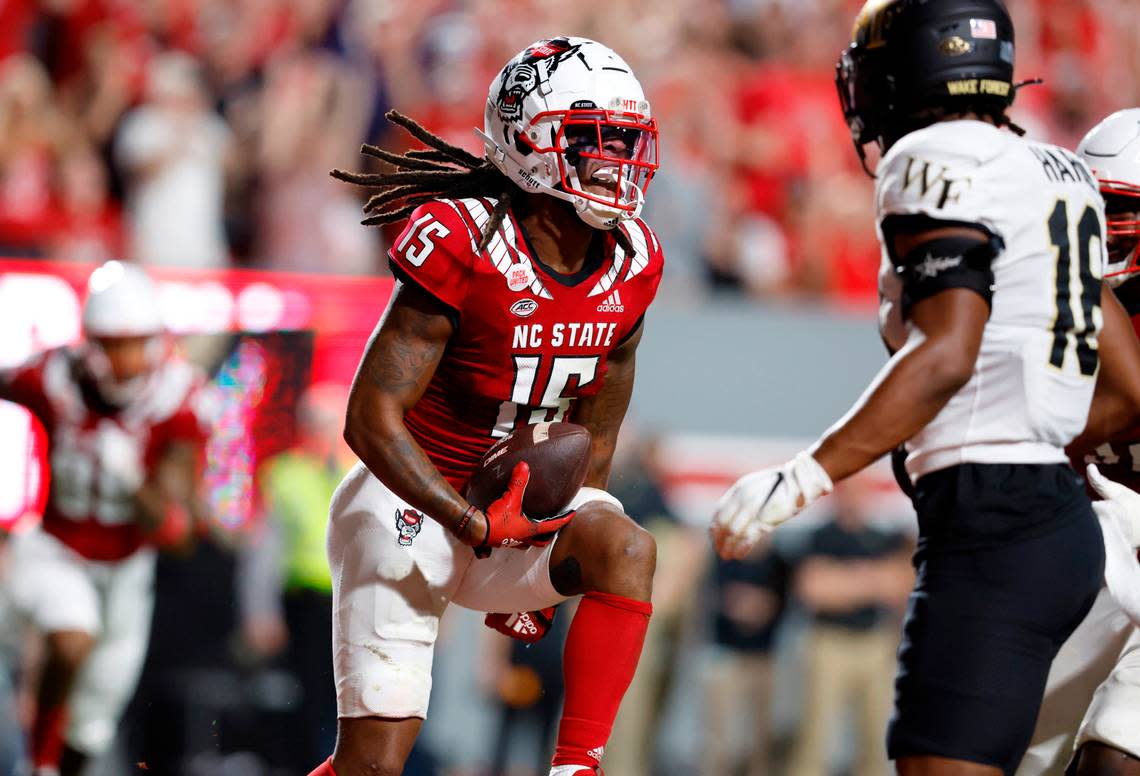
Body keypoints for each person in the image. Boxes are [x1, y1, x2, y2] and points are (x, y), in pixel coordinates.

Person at [713, 1, 1120, 773]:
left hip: (992, 524)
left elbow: (947, 350)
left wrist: (804, 477)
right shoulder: (1054, 167)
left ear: (909, 68)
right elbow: (1127, 384)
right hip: (1061, 531)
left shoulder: (934, 156)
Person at [307, 36, 663, 776]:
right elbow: (368, 416)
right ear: (528, 141)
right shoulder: (465, 236)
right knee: (373, 764)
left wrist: (558, 513)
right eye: (595, 142)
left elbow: (600, 414)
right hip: (412, 505)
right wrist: (472, 521)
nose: (617, 162)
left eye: (627, 143)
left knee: (627, 547)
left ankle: (576, 768)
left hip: (511, 516)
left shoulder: (634, 257)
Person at [0, 260, 212, 776]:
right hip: (56, 549)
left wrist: (133, 480)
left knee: (92, 723)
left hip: (127, 570)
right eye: (112, 343)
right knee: (73, 635)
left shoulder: (177, 399)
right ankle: (39, 766)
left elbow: (177, 534)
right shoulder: (52, 377)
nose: (125, 359)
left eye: (135, 342)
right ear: (89, 341)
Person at [1019, 108, 1140, 776]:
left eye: (1116, 211)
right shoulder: (1051, 312)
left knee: (1116, 761)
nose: (1095, 229)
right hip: (1085, 568)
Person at [786, 480, 912, 776]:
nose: (855, 499)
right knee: (814, 739)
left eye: (861, 491)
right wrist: (872, 580)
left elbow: (899, 585)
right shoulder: (821, 537)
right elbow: (813, 589)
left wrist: (843, 581)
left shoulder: (882, 538)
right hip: (829, 643)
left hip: (874, 645)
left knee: (874, 741)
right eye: (849, 491)